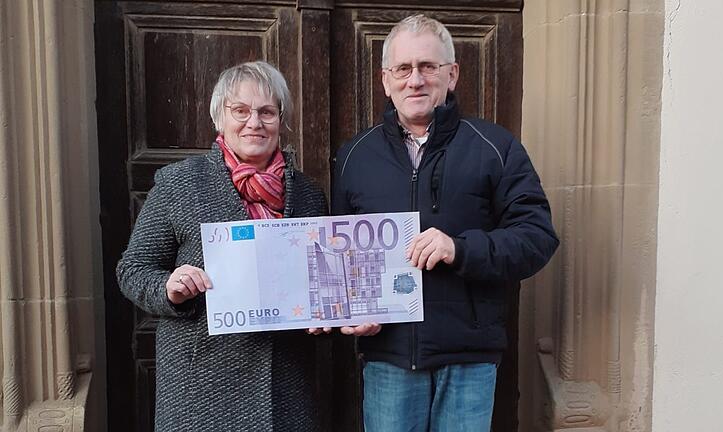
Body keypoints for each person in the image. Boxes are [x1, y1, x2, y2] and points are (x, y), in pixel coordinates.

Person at [333, 14, 559, 431]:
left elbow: (537, 238)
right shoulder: (354, 157)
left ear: (451, 74)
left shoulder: (496, 147)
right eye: (403, 69)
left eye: (428, 67)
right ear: (386, 80)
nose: (415, 80)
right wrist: (356, 310)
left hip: (468, 357)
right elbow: (342, 257)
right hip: (389, 356)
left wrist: (460, 249)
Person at [117, 61, 327, 432]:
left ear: (281, 119)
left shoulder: (308, 194)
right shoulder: (179, 184)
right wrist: (170, 288)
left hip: (285, 387)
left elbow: (321, 280)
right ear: (219, 118)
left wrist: (325, 313)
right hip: (199, 388)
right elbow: (133, 269)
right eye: (240, 111)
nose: (254, 122)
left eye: (267, 112)